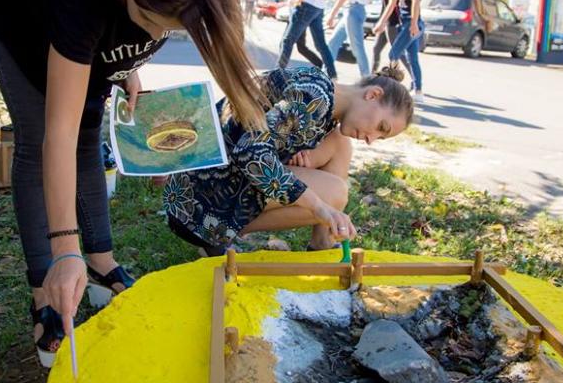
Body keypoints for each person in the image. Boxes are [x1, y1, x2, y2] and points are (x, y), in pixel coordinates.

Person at [0, 0, 267, 366]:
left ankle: (100, 262)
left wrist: (124, 62)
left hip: (88, 8)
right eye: (151, 21)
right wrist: (64, 247)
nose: (154, 36)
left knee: (92, 137)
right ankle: (45, 288)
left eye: (167, 32)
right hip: (15, 10)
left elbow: (132, 30)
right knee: (38, 138)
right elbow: (58, 133)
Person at [163, 66, 413, 255]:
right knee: (335, 194)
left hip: (202, 185)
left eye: (381, 138)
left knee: (340, 144)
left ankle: (322, 243)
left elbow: (264, 135)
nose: (372, 139)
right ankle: (218, 238)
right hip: (197, 210)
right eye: (381, 127)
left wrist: (300, 154)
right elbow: (251, 153)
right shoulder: (315, 98)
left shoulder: (324, 92)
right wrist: (319, 207)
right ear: (372, 94)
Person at [379, 0, 424, 96]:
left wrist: (414, 23)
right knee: (412, 59)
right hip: (407, 23)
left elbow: (416, 1)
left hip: (410, 23)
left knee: (393, 54)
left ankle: (393, 89)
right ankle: (418, 91)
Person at [371, 0, 411, 74]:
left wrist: (381, 22)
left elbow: (392, 5)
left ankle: (414, 78)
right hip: (386, 23)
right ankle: (371, 77)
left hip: (393, 23)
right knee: (376, 49)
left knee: (397, 53)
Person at [288, 0, 323, 68]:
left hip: (297, 17)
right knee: (301, 47)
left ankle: (279, 70)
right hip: (293, 17)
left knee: (287, 43)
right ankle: (320, 64)